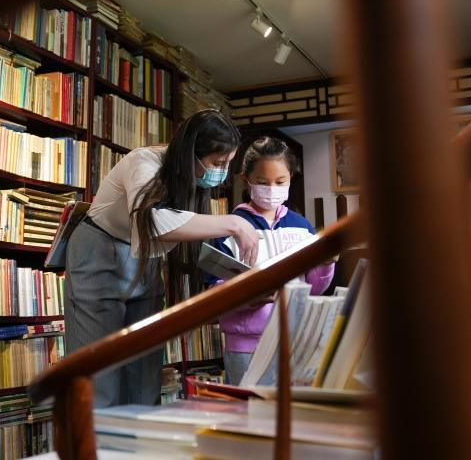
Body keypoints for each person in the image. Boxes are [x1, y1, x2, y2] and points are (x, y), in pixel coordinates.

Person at [63, 109, 262, 407]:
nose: (221, 171)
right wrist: (234, 222)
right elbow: (151, 222)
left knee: (145, 376)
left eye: (227, 163)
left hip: (144, 262)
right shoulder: (143, 161)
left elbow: (180, 231)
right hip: (99, 252)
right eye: (217, 163)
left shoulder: (190, 178)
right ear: (191, 153)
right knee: (99, 372)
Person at [214, 136, 334, 385]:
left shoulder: (302, 227)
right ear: (246, 180)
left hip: (295, 339)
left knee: (295, 416)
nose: (271, 189)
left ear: (291, 178)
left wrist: (326, 263)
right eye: (262, 182)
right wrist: (248, 295)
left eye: (280, 182)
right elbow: (214, 291)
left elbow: (314, 288)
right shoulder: (229, 228)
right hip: (247, 346)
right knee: (250, 414)